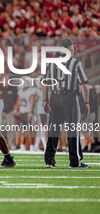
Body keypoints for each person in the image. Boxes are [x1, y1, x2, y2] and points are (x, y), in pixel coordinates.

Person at [43, 38, 90, 168]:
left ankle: (49, 161)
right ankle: (75, 162)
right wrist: (86, 102)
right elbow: (84, 85)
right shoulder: (76, 63)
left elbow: (45, 83)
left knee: (53, 130)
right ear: (69, 49)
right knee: (72, 130)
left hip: (54, 99)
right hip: (69, 99)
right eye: (73, 47)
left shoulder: (51, 64)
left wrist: (45, 100)